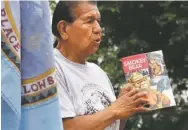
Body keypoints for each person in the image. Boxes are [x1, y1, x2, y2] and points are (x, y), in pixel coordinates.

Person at [52, 1, 150, 130]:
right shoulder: (52, 68)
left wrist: (124, 108)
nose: (98, 29)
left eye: (98, 21)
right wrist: (115, 110)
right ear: (63, 29)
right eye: (89, 20)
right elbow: (64, 127)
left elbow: (112, 126)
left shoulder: (98, 72)